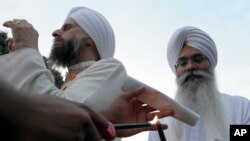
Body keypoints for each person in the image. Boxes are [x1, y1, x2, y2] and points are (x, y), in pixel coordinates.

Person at [0, 7, 173, 140]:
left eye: (67, 28)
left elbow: (55, 120)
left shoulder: (111, 69)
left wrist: (27, 53)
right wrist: (17, 61)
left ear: (90, 40)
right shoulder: (69, 82)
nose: (55, 32)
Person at [148, 26, 250, 141]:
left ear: (211, 64)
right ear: (176, 70)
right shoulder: (162, 123)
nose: (190, 66)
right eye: (183, 63)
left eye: (198, 59)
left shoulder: (242, 108)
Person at [0, 79, 110, 141]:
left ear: (89, 42)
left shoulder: (111, 66)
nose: (55, 36)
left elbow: (65, 116)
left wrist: (27, 50)